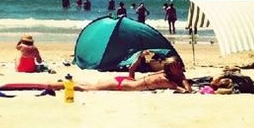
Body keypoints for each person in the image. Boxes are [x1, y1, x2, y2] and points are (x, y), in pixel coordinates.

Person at [41, 56, 192, 94]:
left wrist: (181, 76)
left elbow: (181, 84)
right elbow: (185, 90)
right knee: (85, 88)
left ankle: (59, 83)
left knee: (88, 85)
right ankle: (52, 85)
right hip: (123, 84)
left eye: (178, 66)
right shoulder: (163, 78)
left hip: (126, 80)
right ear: (170, 69)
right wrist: (183, 78)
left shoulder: (163, 73)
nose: (179, 69)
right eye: (176, 67)